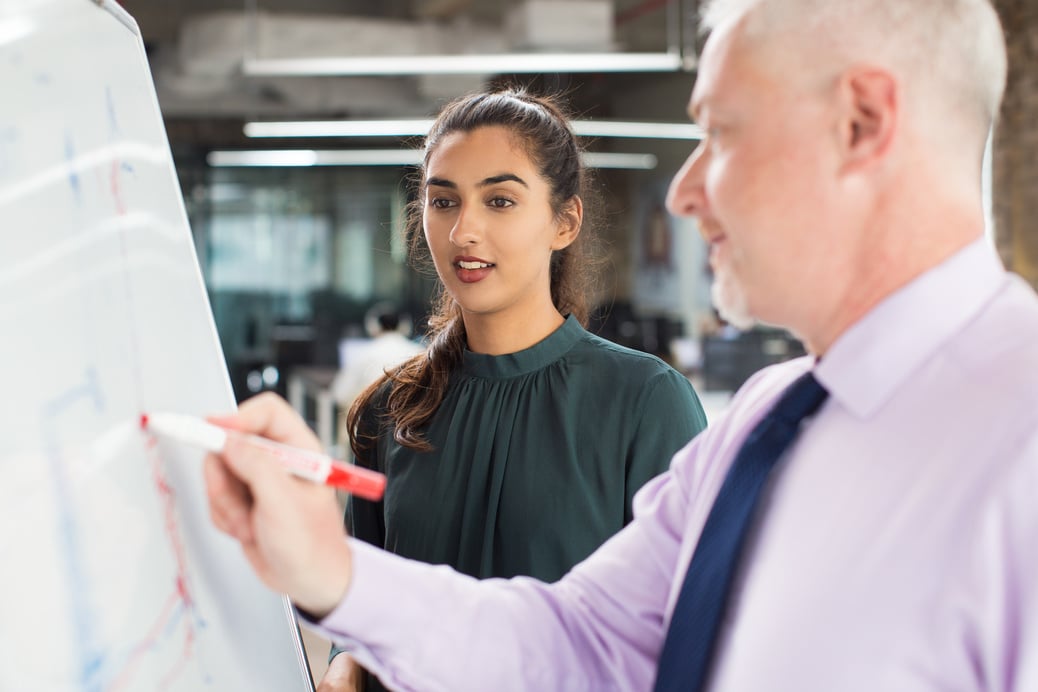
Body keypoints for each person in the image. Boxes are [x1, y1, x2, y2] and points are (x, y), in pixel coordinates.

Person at [204, 0, 1038, 689]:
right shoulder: (766, 422)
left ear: (861, 123)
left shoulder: (1018, 442)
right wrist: (330, 568)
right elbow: (579, 643)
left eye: (724, 133)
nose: (683, 190)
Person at [317, 88, 708, 691]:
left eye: (499, 201)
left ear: (564, 222)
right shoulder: (389, 410)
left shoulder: (645, 401)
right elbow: (360, 604)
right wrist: (344, 659)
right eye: (443, 201)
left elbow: (686, 631)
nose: (463, 230)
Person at [329, 303, 423, 415]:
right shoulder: (419, 352)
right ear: (405, 326)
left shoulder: (363, 354)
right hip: (412, 424)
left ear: (372, 326)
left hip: (373, 424)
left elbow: (341, 395)